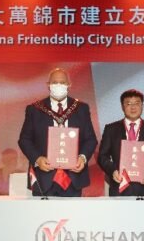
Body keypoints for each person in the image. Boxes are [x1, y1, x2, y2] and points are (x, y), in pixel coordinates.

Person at [18, 68, 98, 196]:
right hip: (44, 177)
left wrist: (82, 158)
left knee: (71, 215)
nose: (58, 85)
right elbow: (24, 140)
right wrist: (38, 159)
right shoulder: (34, 109)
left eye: (62, 82)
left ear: (69, 85)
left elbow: (90, 139)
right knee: (44, 216)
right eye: (55, 82)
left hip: (73, 177)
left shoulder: (81, 108)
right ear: (48, 85)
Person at [98, 89, 144, 196]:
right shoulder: (111, 129)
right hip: (119, 187)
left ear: (142, 106)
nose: (133, 107)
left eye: (137, 103)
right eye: (128, 103)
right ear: (122, 106)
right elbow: (102, 156)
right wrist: (112, 171)